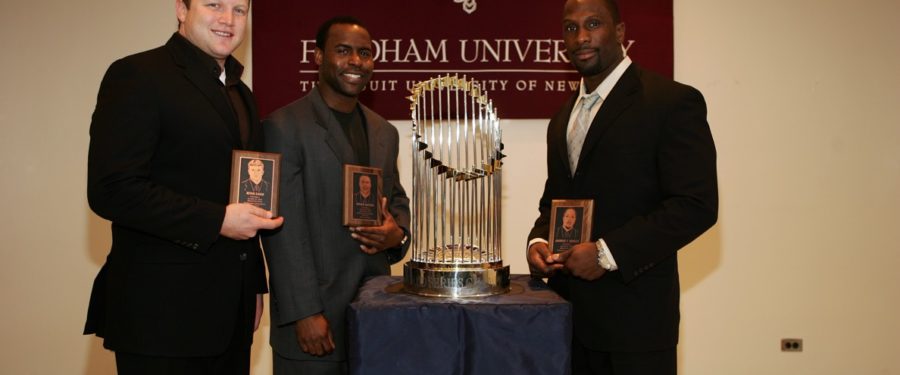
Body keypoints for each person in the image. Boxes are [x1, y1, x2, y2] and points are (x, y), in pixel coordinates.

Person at [84, 0, 283, 373]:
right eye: (214, 5)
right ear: (181, 8)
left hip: (232, 315)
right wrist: (217, 220)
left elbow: (248, 198)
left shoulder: (242, 93)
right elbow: (112, 189)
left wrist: (253, 286)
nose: (228, 20)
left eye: (240, 10)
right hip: (161, 317)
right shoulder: (137, 75)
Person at [526, 0, 718, 374]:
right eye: (570, 27)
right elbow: (555, 201)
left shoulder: (672, 102)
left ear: (619, 31)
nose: (581, 37)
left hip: (637, 329)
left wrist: (605, 253)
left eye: (593, 23)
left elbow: (696, 205)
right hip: (568, 327)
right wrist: (538, 242)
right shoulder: (562, 117)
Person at [261, 16, 410, 375]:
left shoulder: (384, 132)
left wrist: (397, 234)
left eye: (365, 52)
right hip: (313, 324)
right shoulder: (283, 126)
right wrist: (304, 312)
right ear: (317, 57)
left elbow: (398, 202)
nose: (356, 61)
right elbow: (282, 231)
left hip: (374, 317)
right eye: (343, 51)